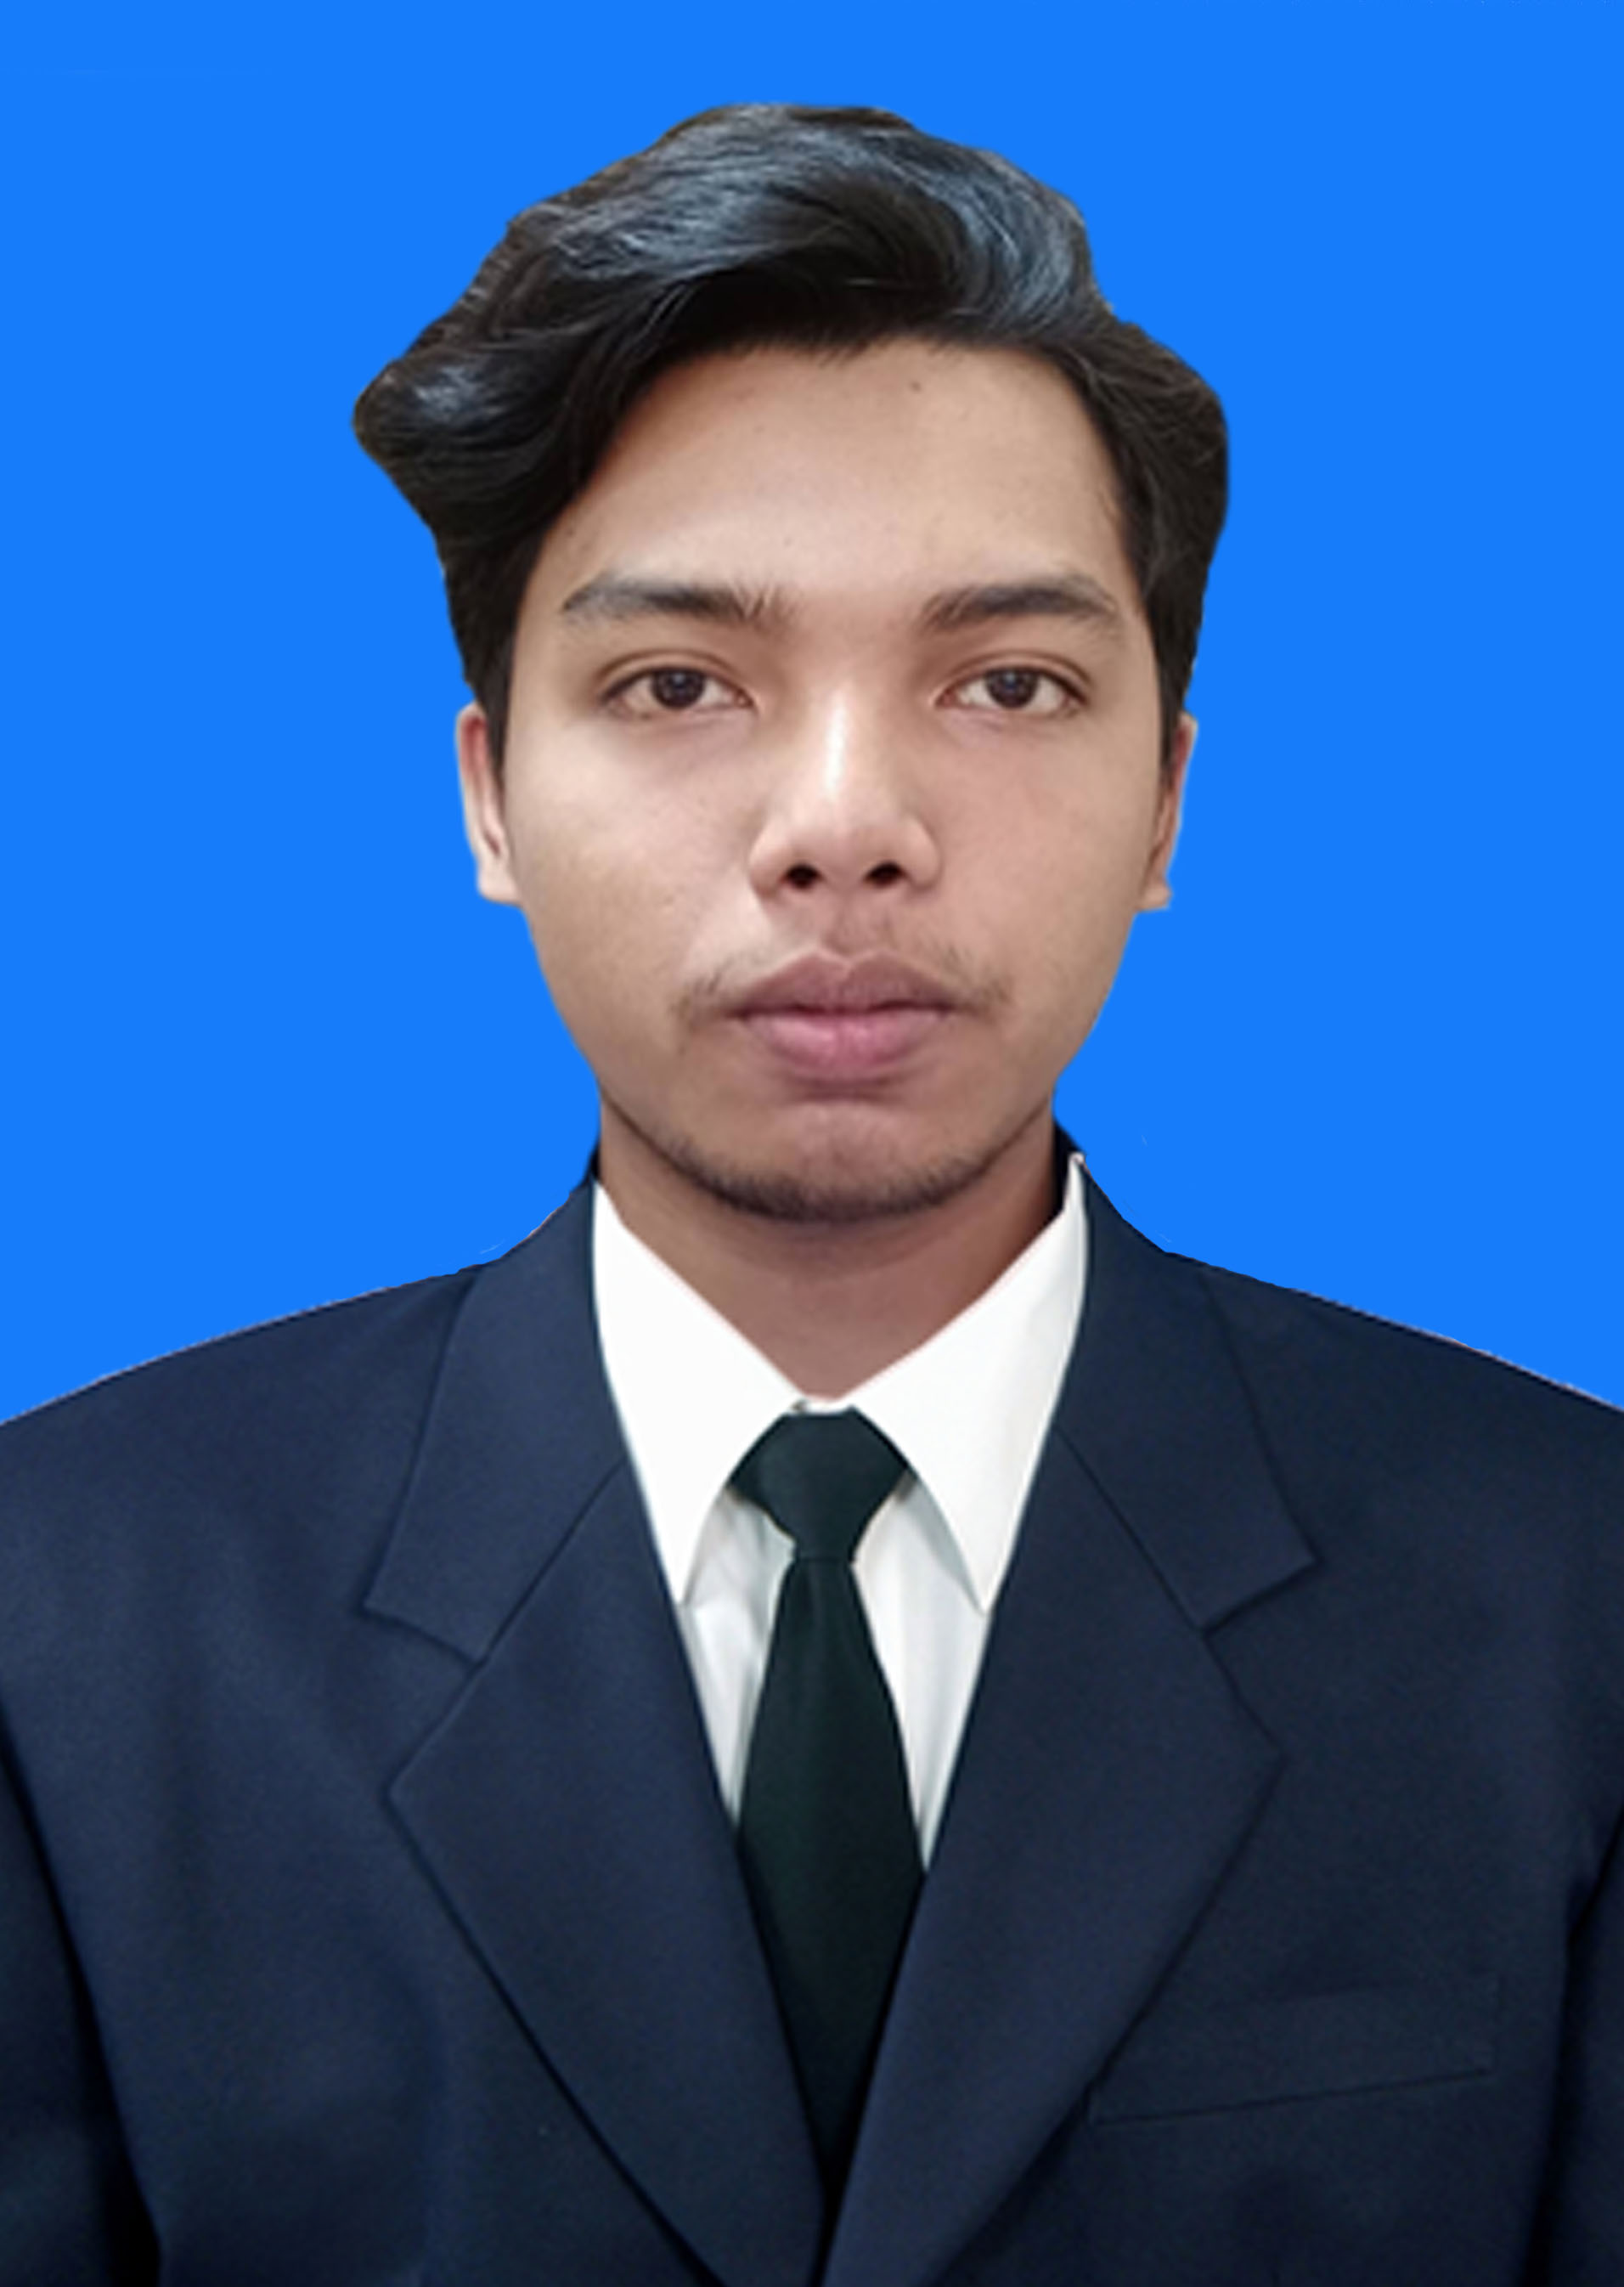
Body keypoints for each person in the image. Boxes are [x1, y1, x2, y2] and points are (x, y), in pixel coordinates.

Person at [1, 99, 1620, 2287]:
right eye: (676, 683)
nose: (843, 824)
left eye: (1007, 682)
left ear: (1163, 798)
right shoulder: (65, 1607)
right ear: (491, 797)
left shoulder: (1568, 1590)